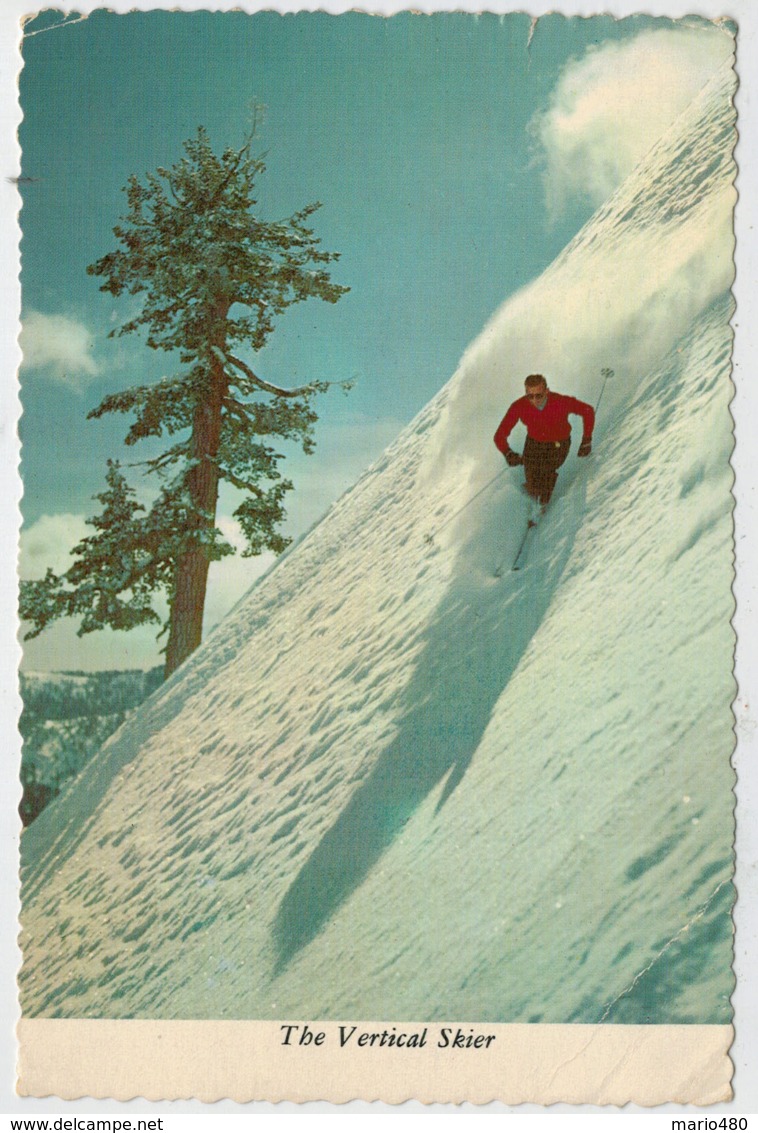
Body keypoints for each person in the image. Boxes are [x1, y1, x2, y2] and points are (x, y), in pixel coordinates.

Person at [493, 374, 595, 506]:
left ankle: (542, 505)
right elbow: (499, 435)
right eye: (530, 396)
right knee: (532, 479)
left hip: (559, 444)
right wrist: (508, 453)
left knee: (546, 471)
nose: (535, 400)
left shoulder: (560, 401)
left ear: (547, 391)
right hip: (534, 444)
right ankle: (529, 507)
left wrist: (586, 439)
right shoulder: (519, 406)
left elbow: (588, 411)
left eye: (539, 395)